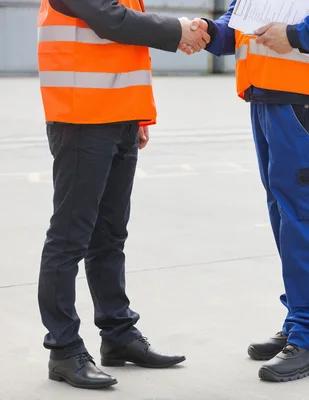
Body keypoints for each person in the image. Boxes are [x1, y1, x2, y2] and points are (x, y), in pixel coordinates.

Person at [188, 0, 309, 382]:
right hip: (267, 98)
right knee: (285, 217)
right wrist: (212, 32)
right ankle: (300, 322)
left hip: (306, 100)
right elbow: (240, 21)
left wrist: (294, 36)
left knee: (307, 217)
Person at [37, 0, 210, 390]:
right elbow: (109, 21)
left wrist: (139, 114)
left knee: (111, 234)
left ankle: (118, 334)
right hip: (82, 116)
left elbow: (126, 48)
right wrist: (178, 30)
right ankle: (63, 349)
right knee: (69, 237)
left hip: (120, 115)